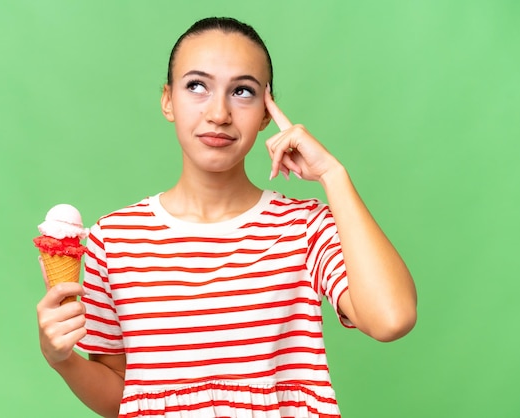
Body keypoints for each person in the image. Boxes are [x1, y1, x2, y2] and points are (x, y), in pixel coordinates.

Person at [36, 16, 417, 418]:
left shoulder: (305, 228)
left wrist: (332, 175)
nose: (219, 113)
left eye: (242, 91)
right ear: (168, 100)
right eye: (196, 86)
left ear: (267, 113)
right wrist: (62, 359)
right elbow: (124, 399)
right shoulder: (111, 241)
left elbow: (392, 319)